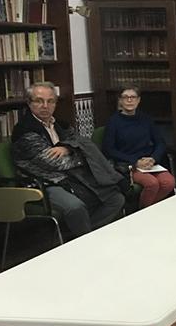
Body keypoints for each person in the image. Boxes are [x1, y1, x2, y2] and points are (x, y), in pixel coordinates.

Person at [11, 82, 125, 239]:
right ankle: (85, 241)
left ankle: (85, 236)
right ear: (29, 103)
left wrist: (68, 148)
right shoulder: (24, 131)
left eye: (50, 101)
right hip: (45, 183)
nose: (45, 106)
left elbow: (81, 142)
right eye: (39, 100)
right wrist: (80, 154)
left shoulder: (59, 124)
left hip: (72, 176)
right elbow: (55, 163)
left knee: (115, 198)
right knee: (75, 207)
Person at [101, 86, 176, 208]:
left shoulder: (146, 119)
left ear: (139, 100)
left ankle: (150, 211)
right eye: (126, 97)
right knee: (152, 184)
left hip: (149, 163)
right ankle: (142, 214)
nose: (129, 100)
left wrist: (153, 159)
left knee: (168, 182)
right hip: (128, 165)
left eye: (133, 97)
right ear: (120, 100)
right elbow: (109, 150)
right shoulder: (113, 122)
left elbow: (160, 142)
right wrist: (135, 162)